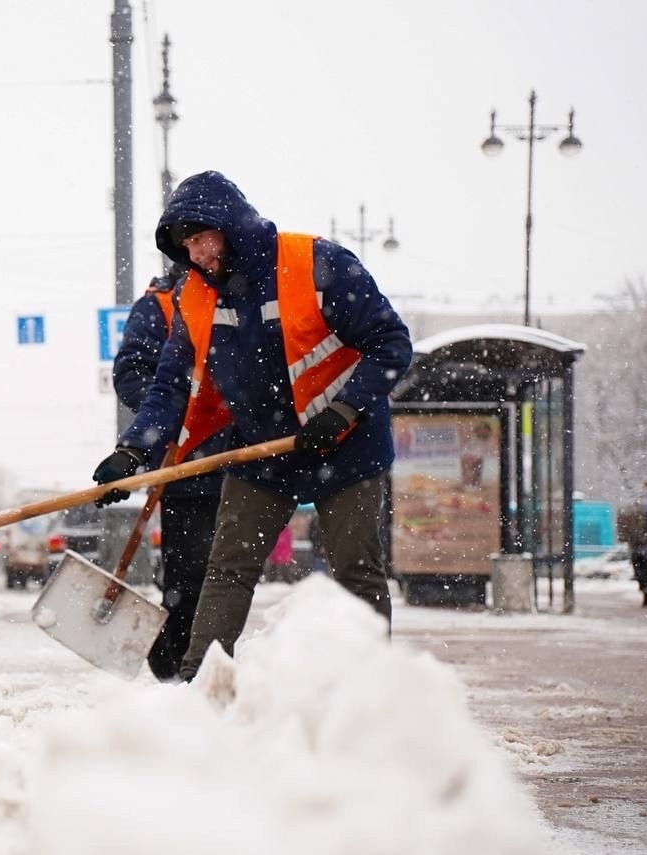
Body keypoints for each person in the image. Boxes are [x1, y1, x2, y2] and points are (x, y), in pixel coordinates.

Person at [92, 170, 412, 680]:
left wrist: (342, 411)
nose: (195, 255)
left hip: (347, 445)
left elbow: (391, 344)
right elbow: (172, 387)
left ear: (229, 225)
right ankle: (203, 687)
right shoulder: (193, 299)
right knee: (228, 568)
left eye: (201, 239)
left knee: (356, 571)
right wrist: (134, 451)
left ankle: (367, 689)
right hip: (264, 450)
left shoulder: (316, 264)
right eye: (186, 246)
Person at [112, 268, 231, 681]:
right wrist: (179, 415)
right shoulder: (161, 304)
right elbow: (132, 373)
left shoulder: (246, 289)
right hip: (187, 466)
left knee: (231, 574)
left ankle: (209, 665)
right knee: (192, 575)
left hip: (248, 459)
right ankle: (178, 666)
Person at [615, 482, 647, 607]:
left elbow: (625, 524)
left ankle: (645, 590)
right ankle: (645, 590)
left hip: (638, 546)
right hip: (640, 546)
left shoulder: (635, 507)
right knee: (642, 569)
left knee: (640, 570)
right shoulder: (636, 507)